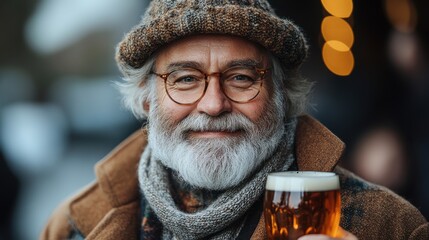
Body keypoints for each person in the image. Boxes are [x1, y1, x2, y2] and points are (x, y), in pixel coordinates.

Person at [40, 0, 428, 239]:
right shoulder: (71, 227)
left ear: (280, 98)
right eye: (186, 79)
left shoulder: (389, 227)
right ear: (146, 101)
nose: (213, 104)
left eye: (241, 78)